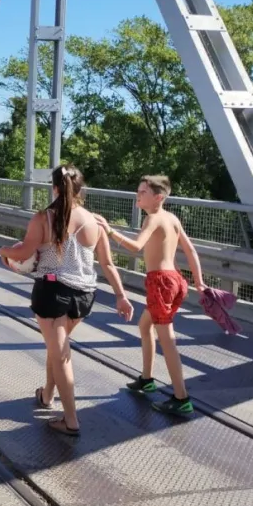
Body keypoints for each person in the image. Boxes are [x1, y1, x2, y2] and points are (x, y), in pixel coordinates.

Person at [0, 164, 133, 436]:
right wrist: (121, 296)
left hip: (53, 292)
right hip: (84, 295)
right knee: (56, 347)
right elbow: (107, 264)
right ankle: (47, 395)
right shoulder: (95, 221)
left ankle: (71, 420)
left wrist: (3, 251)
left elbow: (24, 251)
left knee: (60, 355)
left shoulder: (44, 218)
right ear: (81, 190)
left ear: (55, 188)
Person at [94, 175, 205, 416]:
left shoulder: (153, 218)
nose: (138, 194)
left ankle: (181, 398)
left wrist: (109, 230)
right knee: (145, 327)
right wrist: (200, 282)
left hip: (161, 283)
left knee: (168, 340)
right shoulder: (172, 218)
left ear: (158, 198)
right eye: (138, 190)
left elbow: (136, 248)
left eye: (143, 192)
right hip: (174, 280)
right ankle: (147, 379)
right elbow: (190, 249)